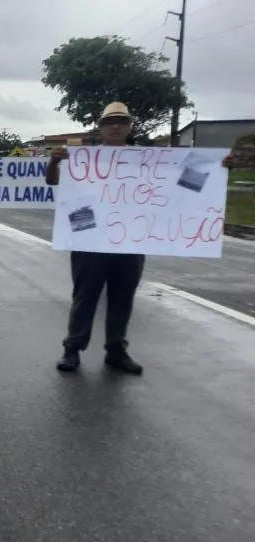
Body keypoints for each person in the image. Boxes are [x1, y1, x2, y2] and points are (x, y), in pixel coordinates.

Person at [46, 102, 235, 375]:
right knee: (85, 297)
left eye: (121, 122)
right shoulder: (84, 158)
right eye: (110, 121)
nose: (115, 126)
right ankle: (72, 348)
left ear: (129, 127)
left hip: (132, 241)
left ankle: (116, 349)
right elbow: (53, 182)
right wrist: (54, 160)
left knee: (123, 297)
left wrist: (218, 169)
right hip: (91, 241)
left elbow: (182, 186)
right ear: (100, 128)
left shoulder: (148, 160)